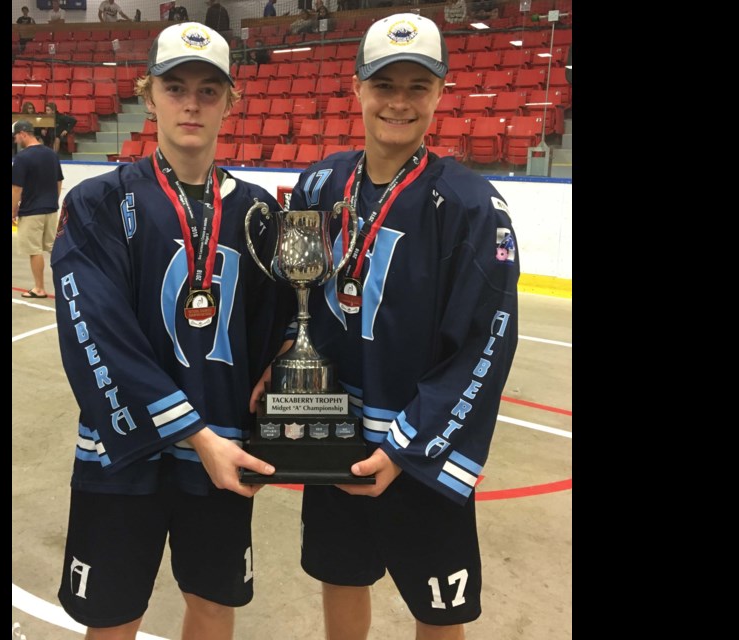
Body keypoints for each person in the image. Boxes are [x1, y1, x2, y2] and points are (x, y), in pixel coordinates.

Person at [251, 13, 520, 640]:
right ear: (357, 88)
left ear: (439, 93)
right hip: (332, 432)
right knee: (341, 579)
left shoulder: (470, 205)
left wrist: (409, 447)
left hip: (418, 449)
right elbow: (296, 298)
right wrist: (278, 352)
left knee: (438, 608)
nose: (398, 102)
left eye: (416, 86)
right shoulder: (320, 182)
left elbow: (484, 346)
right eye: (384, 85)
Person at [53, 21, 292, 640]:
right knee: (113, 615)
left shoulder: (259, 211)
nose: (192, 103)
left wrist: (278, 373)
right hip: (121, 447)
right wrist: (193, 432)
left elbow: (275, 324)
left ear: (231, 101)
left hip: (223, 447)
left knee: (213, 603)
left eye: (209, 90)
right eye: (176, 86)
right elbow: (95, 331)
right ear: (148, 93)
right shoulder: (99, 201)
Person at [12, 120, 64, 299]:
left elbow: (16, 189)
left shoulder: (22, 158)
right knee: (53, 249)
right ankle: (66, 283)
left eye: (16, 137)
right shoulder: (51, 154)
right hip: (50, 209)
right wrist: (53, 201)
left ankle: (39, 288)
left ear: (23, 133)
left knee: (34, 250)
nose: (16, 141)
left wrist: (13, 211)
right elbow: (59, 181)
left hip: (31, 210)